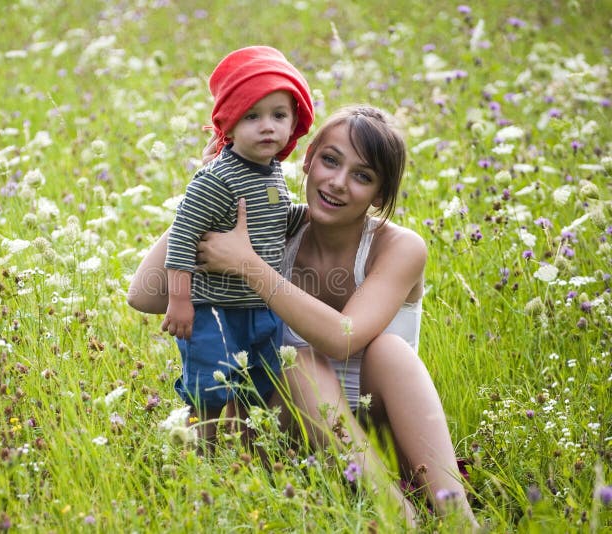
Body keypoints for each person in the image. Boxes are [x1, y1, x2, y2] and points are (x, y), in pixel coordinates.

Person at [127, 104, 479, 528]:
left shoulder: (398, 247)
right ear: (308, 159)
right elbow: (144, 294)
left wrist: (249, 266)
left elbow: (343, 338)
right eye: (330, 161)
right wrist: (209, 194)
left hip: (386, 437)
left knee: (387, 350)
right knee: (296, 368)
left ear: (380, 196)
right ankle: (397, 517)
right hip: (293, 440)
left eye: (362, 176)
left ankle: (456, 515)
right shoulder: (276, 228)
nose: (338, 182)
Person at [160, 46, 314, 445]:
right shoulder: (216, 178)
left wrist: (312, 213)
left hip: (260, 306)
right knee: (209, 388)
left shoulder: (273, 172)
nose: (268, 127)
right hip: (214, 308)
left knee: (257, 385)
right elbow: (182, 237)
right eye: (252, 116)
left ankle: (250, 453)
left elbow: (277, 221)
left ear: (294, 122)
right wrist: (180, 301)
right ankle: (202, 453)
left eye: (279, 115)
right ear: (229, 123)